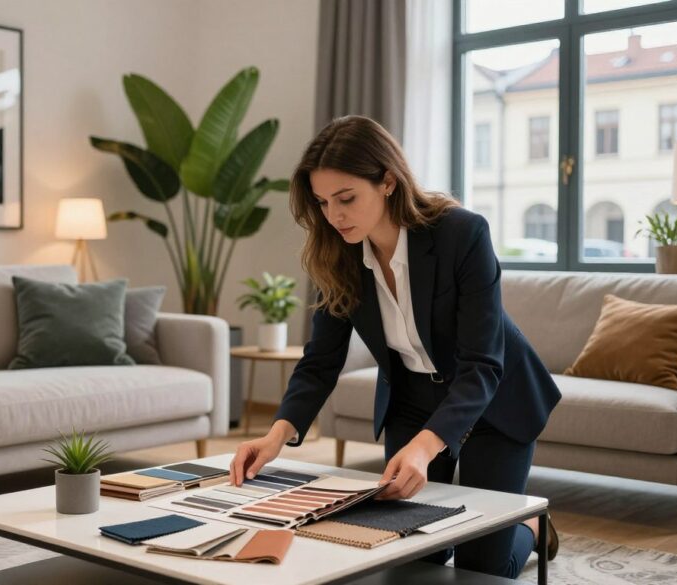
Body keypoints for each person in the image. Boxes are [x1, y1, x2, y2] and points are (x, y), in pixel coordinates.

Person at [228, 115, 562, 579]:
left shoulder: (462, 234)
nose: (334, 216)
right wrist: (276, 434)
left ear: (387, 180)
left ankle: (525, 526)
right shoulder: (336, 252)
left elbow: (483, 364)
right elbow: (321, 360)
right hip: (413, 401)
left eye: (346, 199)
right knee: (410, 557)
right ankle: (497, 526)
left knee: (481, 568)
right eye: (323, 202)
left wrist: (425, 449)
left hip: (494, 404)